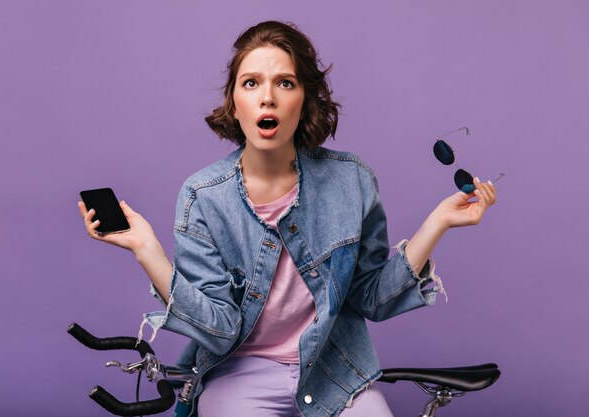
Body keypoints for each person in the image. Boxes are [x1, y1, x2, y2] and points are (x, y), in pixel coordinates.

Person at [78, 20, 497, 417]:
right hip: (238, 370)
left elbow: (371, 297)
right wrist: (146, 249)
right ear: (235, 104)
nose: (268, 97)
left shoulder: (351, 180)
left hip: (334, 369)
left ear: (304, 100)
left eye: (285, 82)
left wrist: (437, 223)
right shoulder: (202, 197)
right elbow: (219, 329)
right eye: (251, 83)